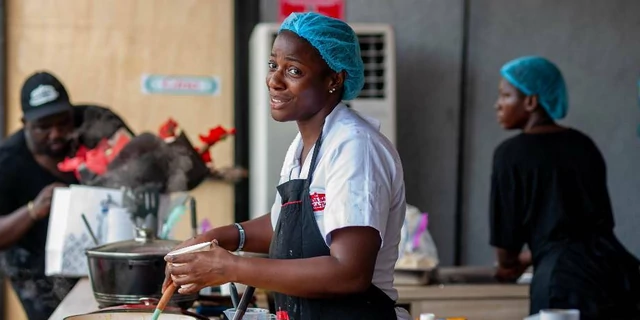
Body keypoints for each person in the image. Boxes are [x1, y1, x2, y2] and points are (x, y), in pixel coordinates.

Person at [163, 12, 411, 320]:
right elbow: (290, 225)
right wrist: (220, 237)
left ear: (334, 79)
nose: (274, 80)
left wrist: (230, 267)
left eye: (293, 70)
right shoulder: (303, 146)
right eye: (273, 65)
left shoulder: (355, 147)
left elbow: (349, 272)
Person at [489, 56, 640, 319]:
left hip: (564, 283)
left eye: (505, 96)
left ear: (531, 101)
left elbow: (507, 237)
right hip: (619, 273)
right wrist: (535, 254)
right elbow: (589, 225)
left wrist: (508, 265)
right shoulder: (584, 144)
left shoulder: (510, 154)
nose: (497, 105)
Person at [0, 71, 126, 320]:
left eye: (63, 122)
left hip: (105, 254)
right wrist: (33, 210)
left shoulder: (98, 123)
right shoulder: (8, 162)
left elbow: (137, 159)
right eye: (43, 127)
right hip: (35, 267)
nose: (56, 134)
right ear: (25, 123)